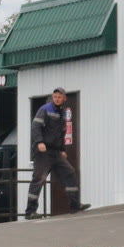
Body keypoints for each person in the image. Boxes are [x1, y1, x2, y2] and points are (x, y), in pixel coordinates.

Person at [25, 87, 88, 217]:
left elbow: (61, 133)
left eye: (59, 97)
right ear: (53, 97)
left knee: (70, 173)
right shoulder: (45, 109)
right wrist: (39, 142)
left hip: (56, 153)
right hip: (43, 152)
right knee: (38, 180)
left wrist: (62, 149)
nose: (57, 99)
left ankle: (75, 205)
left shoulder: (63, 113)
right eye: (55, 97)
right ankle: (30, 212)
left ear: (64, 98)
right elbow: (36, 126)